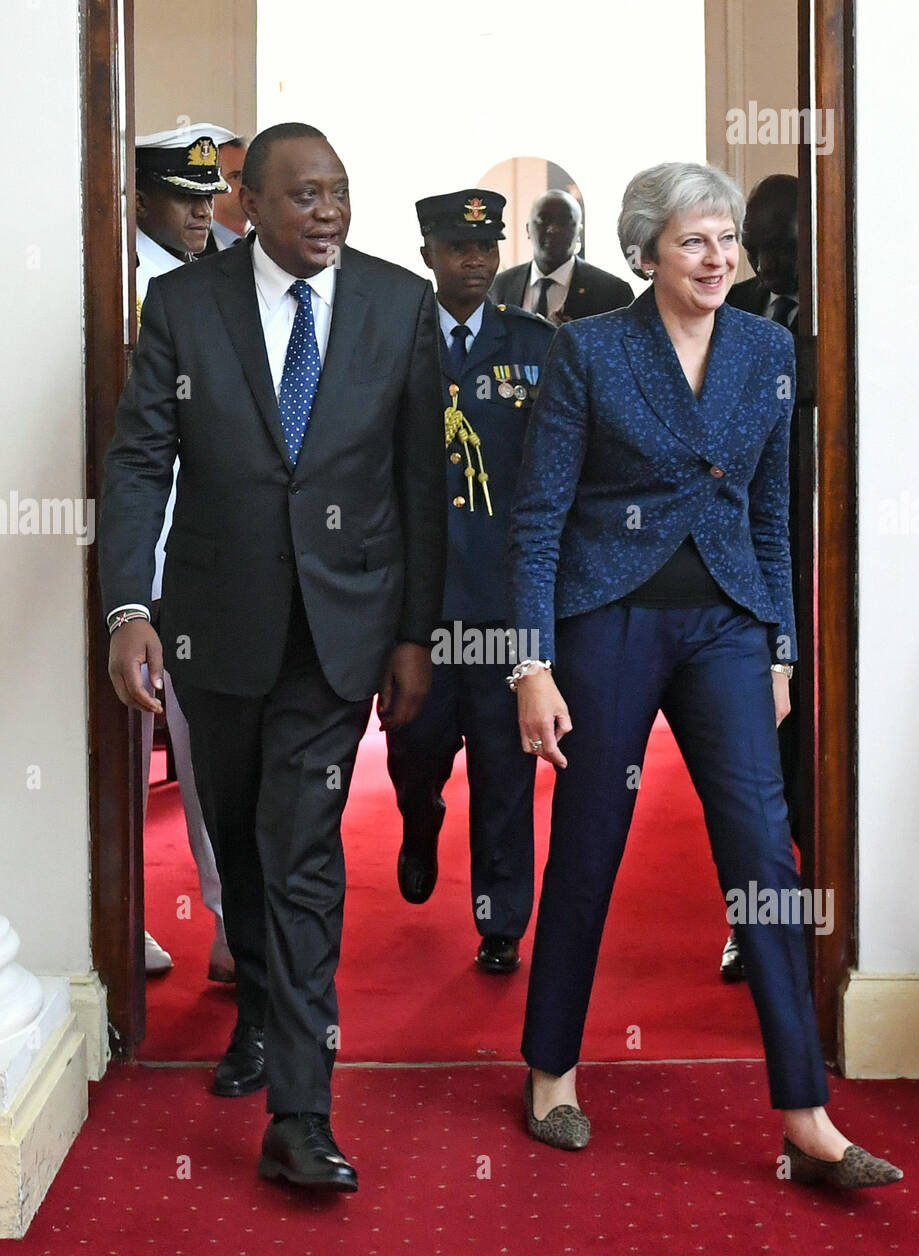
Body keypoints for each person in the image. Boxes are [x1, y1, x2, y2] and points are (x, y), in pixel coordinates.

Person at [506, 162, 902, 1189]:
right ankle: (552, 1067)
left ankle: (805, 1113)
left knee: (765, 858)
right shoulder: (588, 350)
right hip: (610, 619)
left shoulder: (769, 348)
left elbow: (772, 516)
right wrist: (531, 663)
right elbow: (540, 516)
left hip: (728, 622)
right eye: (695, 241)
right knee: (592, 838)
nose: (719, 257)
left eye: (727, 238)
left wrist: (778, 647)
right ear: (646, 253)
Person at [99, 122, 445, 1192]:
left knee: (300, 851)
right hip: (215, 625)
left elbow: (420, 486)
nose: (328, 211)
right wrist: (128, 609)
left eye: (339, 191)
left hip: (340, 636)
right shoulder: (186, 306)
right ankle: (254, 1007)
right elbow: (142, 457)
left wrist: (413, 634)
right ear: (247, 200)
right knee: (243, 843)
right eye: (303, 195)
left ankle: (301, 1110)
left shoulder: (398, 305)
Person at [387, 189, 555, 973]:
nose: (475, 261)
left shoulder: (534, 344)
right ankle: (419, 825)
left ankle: (500, 921)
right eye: (458, 247)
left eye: (486, 249)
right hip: (416, 610)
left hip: (501, 604)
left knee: (504, 774)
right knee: (413, 755)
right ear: (428, 253)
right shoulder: (392, 339)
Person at [133, 122, 235, 981]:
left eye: (208, 196)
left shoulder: (212, 276)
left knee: (206, 752)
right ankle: (116, 916)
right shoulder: (128, 280)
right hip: (136, 554)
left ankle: (231, 925)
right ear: (141, 198)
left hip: (203, 554)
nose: (202, 212)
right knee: (118, 761)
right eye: (183, 196)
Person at [721, 173, 802, 983]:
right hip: (742, 565)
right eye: (758, 243)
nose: (768, 260)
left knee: (816, 759)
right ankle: (749, 925)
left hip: (831, 561)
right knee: (755, 767)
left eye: (784, 243)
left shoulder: (847, 309)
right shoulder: (735, 310)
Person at [490, 189, 633, 322]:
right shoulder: (500, 286)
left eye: (564, 221)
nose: (554, 229)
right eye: (543, 220)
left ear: (579, 232)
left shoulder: (613, 293)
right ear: (528, 229)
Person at [210, 136, 250, 248]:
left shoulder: (276, 246)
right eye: (236, 176)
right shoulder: (188, 250)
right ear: (213, 184)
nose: (248, 184)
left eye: (252, 175)